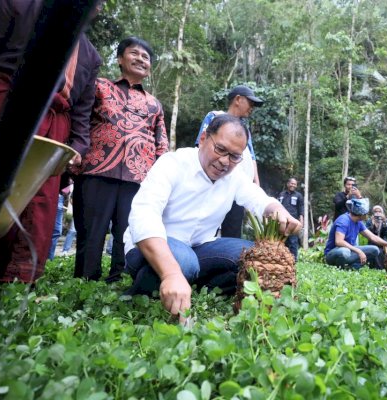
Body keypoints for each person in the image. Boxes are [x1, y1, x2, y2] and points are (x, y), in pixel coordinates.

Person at [0, 0, 101, 285]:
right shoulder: (16, 3)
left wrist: (77, 146)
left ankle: (17, 283)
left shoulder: (90, 56)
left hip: (52, 129)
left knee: (37, 208)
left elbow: (82, 111)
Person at [123, 114, 301, 322]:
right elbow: (144, 216)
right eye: (220, 149)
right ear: (204, 138)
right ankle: (151, 287)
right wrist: (172, 273)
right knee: (184, 262)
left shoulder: (233, 177)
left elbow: (259, 199)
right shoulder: (173, 163)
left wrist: (278, 210)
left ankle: (188, 284)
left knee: (253, 257)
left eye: (234, 156)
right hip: (152, 247)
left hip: (200, 248)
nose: (225, 161)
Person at [72, 36, 168, 283]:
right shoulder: (99, 86)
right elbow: (80, 120)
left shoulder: (155, 104)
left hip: (139, 177)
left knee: (128, 232)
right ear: (119, 59)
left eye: (146, 57)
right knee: (91, 231)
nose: (141, 59)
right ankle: (85, 281)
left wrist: (159, 178)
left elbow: (162, 143)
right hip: (96, 169)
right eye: (134, 53)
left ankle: (120, 278)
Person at [195, 85, 264, 238]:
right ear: (238, 99)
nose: (252, 107)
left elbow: (252, 157)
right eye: (250, 102)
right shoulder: (215, 117)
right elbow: (200, 148)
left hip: (239, 189)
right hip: (218, 184)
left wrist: (256, 185)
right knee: (211, 231)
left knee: (233, 231)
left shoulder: (244, 131)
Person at [324, 198, 387, 270]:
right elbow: (339, 241)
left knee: (375, 250)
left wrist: (386, 244)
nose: (367, 215)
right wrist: (358, 251)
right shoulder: (343, 220)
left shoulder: (358, 222)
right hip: (333, 253)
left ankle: (353, 268)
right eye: (366, 213)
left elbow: (372, 237)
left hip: (349, 251)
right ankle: (340, 269)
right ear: (361, 214)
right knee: (344, 251)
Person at [278, 177, 304, 260]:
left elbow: (301, 210)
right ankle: (282, 259)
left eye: (295, 184)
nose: (293, 185)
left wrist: (301, 222)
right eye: (292, 183)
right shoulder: (281, 194)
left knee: (293, 241)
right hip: (282, 222)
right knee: (281, 241)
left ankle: (293, 260)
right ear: (288, 184)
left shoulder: (298, 195)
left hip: (294, 223)